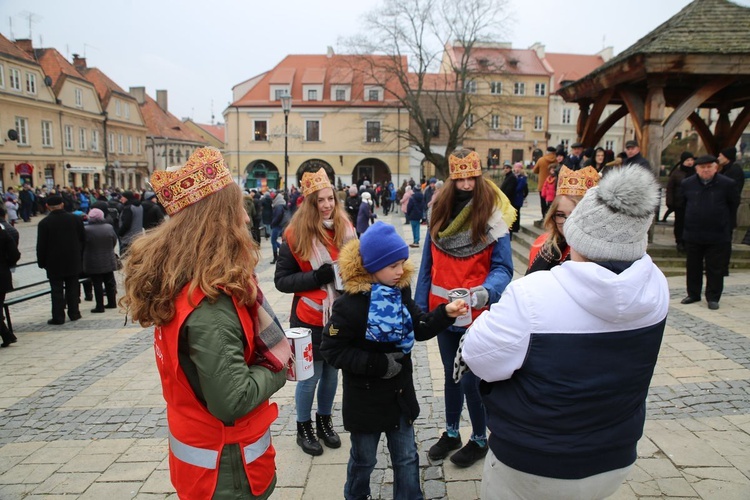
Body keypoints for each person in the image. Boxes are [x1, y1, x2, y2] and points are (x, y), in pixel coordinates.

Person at [461, 166, 668, 500]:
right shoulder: (656, 288)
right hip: (614, 455)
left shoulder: (534, 293)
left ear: (578, 236)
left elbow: (479, 357)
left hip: (533, 460)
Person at [122, 147, 291, 499]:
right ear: (217, 222)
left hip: (208, 463)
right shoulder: (211, 306)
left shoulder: (187, 283)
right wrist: (278, 365)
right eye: (237, 209)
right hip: (228, 473)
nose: (246, 219)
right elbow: (233, 399)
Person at [321, 222, 468, 500]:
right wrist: (378, 364)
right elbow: (332, 350)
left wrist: (445, 313)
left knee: (407, 458)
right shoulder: (349, 305)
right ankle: (355, 495)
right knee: (364, 460)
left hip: (400, 397)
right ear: (372, 267)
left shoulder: (400, 291)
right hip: (365, 402)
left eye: (402, 263)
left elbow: (420, 326)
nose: (400, 271)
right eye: (392, 266)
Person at [415, 149, 515, 467]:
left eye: (472, 177)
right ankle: (452, 432)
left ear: (479, 176)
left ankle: (480, 438)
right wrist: (419, 310)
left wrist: (486, 292)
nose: (468, 184)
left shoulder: (492, 217)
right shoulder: (439, 214)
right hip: (445, 313)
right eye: (461, 178)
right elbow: (426, 267)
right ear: (452, 179)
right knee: (450, 374)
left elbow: (503, 267)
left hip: (477, 314)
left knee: (472, 377)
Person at [274, 167, 357, 456]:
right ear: (309, 203)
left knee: (332, 375)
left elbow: (355, 268)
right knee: (310, 377)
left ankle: (324, 422)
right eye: (320, 200)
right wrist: (316, 277)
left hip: (339, 316)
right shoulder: (295, 235)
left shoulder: (346, 229)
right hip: (309, 318)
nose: (326, 205)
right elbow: (282, 281)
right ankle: (303, 427)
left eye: (330, 199)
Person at [680, 155, 740, 310]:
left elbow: (733, 205)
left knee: (715, 268)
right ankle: (693, 293)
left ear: (716, 167)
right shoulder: (688, 184)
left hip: (718, 234)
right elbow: (682, 206)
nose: (706, 170)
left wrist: (727, 227)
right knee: (693, 266)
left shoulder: (727, 184)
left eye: (709, 167)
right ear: (696, 169)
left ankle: (713, 297)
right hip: (693, 232)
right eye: (702, 167)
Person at [526, 166, 600, 274]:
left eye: (574, 214)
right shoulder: (541, 245)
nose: (567, 222)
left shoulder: (598, 254)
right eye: (560, 215)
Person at [36, 195, 85, 325]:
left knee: (56, 290)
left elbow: (41, 245)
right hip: (72, 259)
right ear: (62, 204)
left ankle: (58, 316)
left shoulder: (44, 223)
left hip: (54, 262)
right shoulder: (75, 219)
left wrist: (41, 262)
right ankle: (74, 313)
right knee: (73, 287)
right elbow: (83, 238)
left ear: (47, 206)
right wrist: (79, 254)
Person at [83, 208, 119, 312]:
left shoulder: (86, 229)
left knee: (97, 283)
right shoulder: (108, 227)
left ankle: (100, 306)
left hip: (93, 259)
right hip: (108, 258)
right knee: (110, 281)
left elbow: (84, 244)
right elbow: (114, 240)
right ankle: (112, 302)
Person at [664, 152, 695, 252]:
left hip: (692, 203)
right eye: (687, 160)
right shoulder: (676, 173)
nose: (690, 162)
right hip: (679, 203)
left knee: (690, 223)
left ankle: (688, 241)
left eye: (691, 160)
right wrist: (670, 202)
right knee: (679, 223)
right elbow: (670, 188)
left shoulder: (696, 172)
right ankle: (679, 241)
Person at [0, 223, 20, 347]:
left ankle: (7, 335)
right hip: (2, 274)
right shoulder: (2, 233)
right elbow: (15, 254)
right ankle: (7, 335)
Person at [533, 146, 557, 219]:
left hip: (542, 185)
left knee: (543, 202)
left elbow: (534, 170)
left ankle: (544, 217)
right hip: (553, 184)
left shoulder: (541, 160)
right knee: (553, 202)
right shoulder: (556, 160)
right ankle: (551, 217)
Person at [118, 191, 144, 255]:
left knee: (125, 259)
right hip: (138, 236)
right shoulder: (140, 206)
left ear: (127, 198)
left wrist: (120, 233)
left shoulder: (128, 208)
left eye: (122, 197)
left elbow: (126, 224)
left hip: (128, 239)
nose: (121, 199)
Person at [511, 162, 528, 234]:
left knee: (517, 212)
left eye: (518, 167)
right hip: (513, 198)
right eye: (515, 167)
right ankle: (513, 226)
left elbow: (519, 188)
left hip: (518, 198)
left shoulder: (522, 178)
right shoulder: (513, 176)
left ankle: (516, 227)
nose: (517, 169)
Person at [270, 192, 286, 264]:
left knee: (273, 241)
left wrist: (273, 223)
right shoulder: (280, 205)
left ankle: (276, 257)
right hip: (279, 225)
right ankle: (282, 251)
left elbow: (278, 216)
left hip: (277, 226)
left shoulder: (279, 206)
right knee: (274, 241)